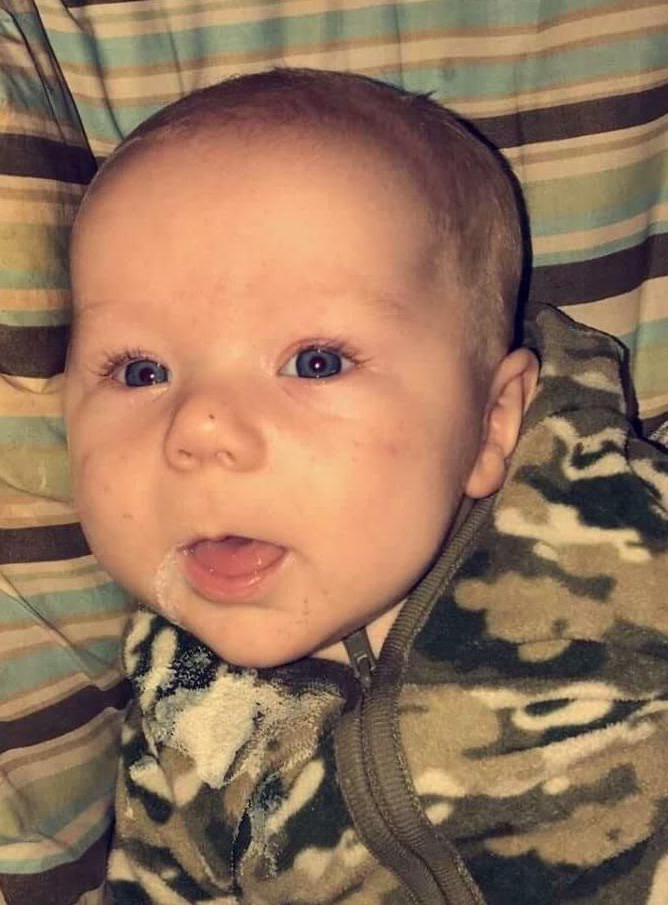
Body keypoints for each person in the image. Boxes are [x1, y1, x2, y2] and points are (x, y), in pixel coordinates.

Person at [63, 68, 668, 904]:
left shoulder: (619, 522)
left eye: (315, 361)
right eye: (141, 371)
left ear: (491, 422)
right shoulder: (177, 705)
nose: (200, 427)